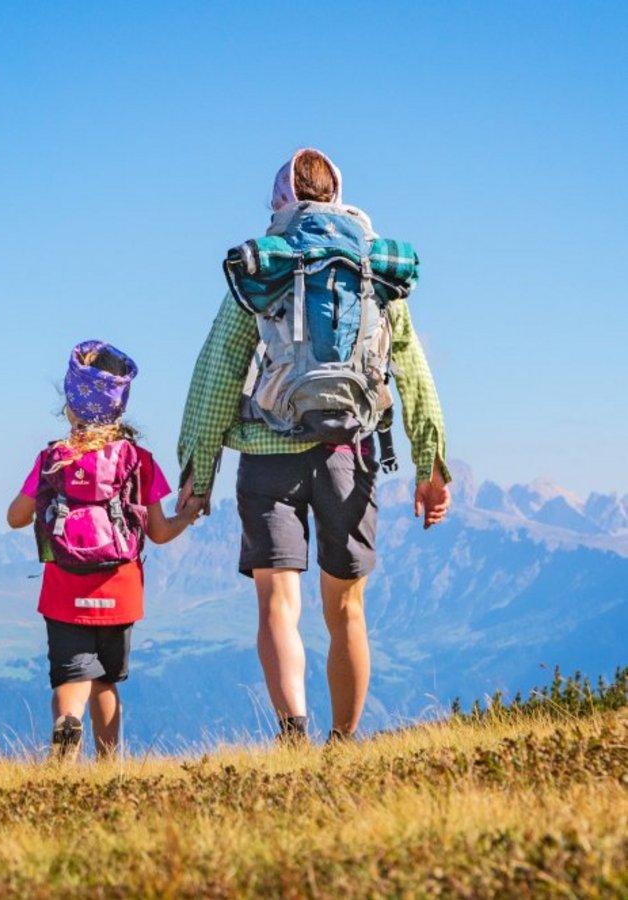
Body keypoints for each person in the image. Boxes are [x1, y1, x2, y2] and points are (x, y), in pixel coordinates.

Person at [176, 148, 451, 746]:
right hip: (348, 456)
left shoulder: (262, 267)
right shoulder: (375, 270)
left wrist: (198, 470)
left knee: (278, 604)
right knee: (346, 608)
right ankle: (344, 743)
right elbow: (412, 370)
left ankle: (292, 732)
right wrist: (430, 464)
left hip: (267, 453)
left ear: (280, 202)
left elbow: (219, 370)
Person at [7, 340, 202, 761]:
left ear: (71, 405)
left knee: (70, 679)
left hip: (63, 589)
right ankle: (108, 764)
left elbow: (15, 517)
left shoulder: (53, 459)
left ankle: (66, 727)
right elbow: (161, 531)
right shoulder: (138, 458)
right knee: (106, 681)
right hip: (120, 590)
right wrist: (189, 514)